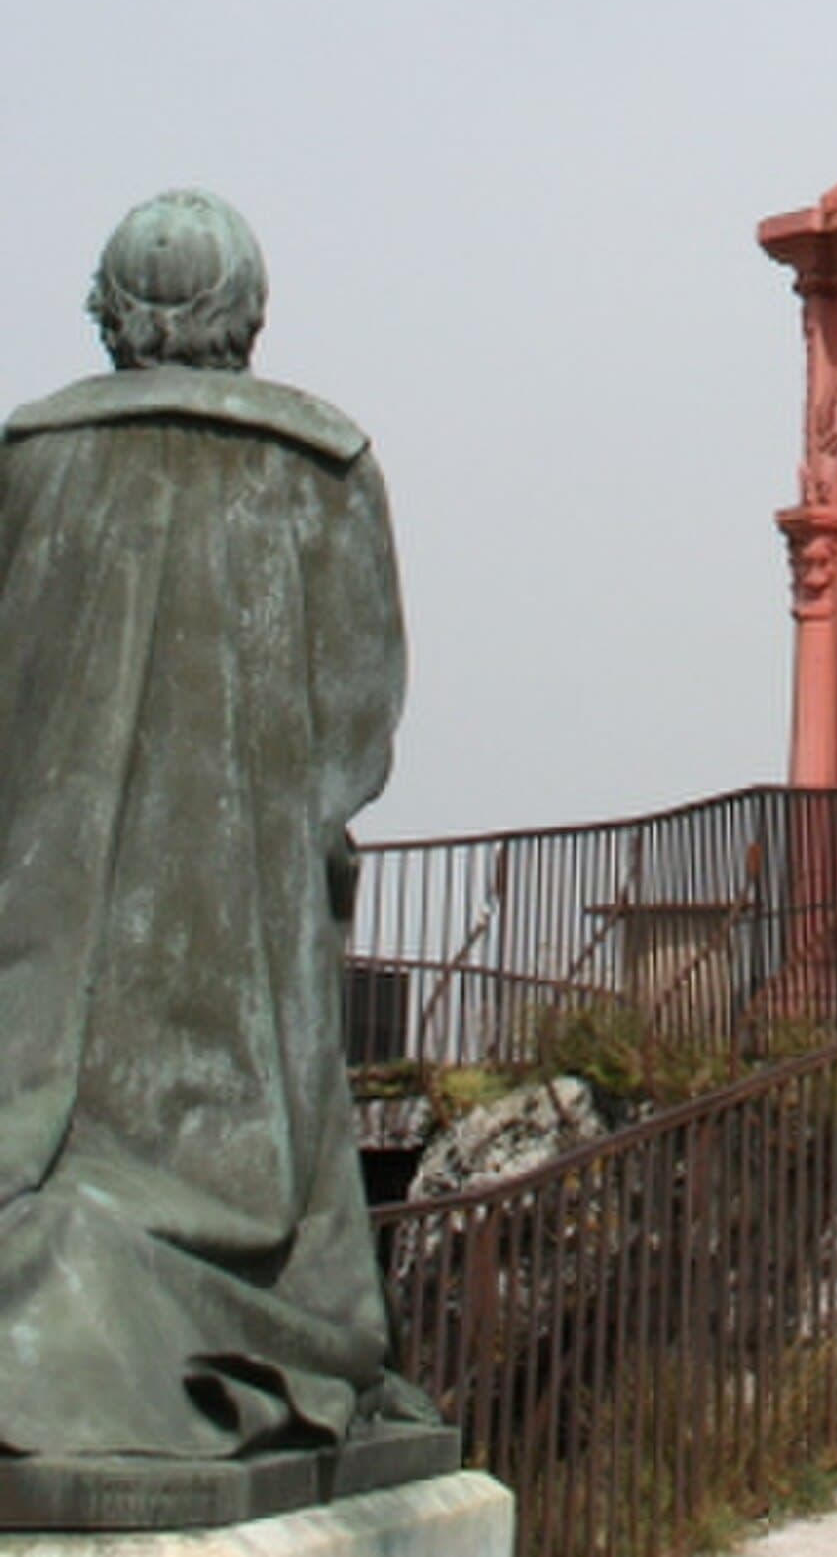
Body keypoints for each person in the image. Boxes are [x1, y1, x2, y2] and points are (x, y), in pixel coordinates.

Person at [0, 193, 426, 1470]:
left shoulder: (25, 455)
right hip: (245, 919)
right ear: (247, 317)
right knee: (263, 1144)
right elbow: (359, 721)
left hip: (43, 902)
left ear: (111, 310)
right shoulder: (322, 462)